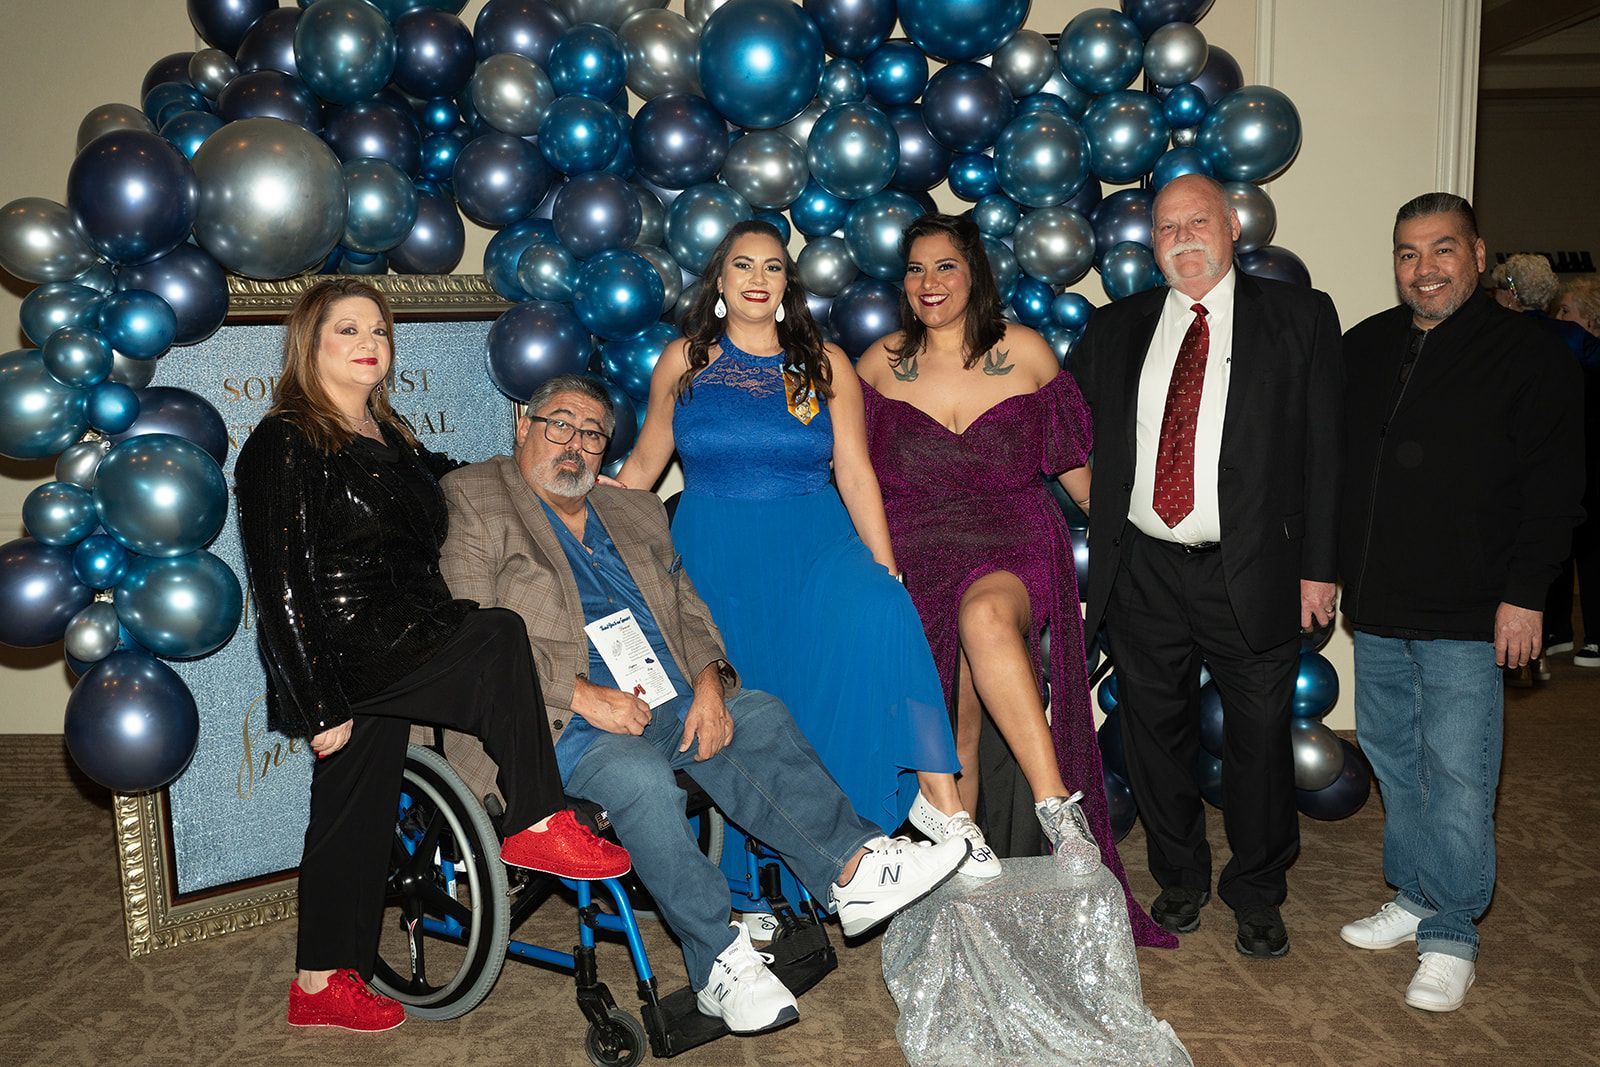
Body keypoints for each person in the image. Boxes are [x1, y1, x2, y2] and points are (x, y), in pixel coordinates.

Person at [436, 374, 971, 1034]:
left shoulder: (634, 511)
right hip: (548, 717)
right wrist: (578, 693)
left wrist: (710, 686)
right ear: (524, 425)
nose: (574, 444)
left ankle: (853, 869)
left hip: (662, 699)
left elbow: (690, 612)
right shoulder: (475, 495)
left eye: (592, 434)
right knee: (638, 776)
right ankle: (719, 962)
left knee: (759, 714)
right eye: (560, 425)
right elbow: (466, 629)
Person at [234, 281, 629, 1033]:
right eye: (348, 329)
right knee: (498, 633)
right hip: (353, 647)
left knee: (352, 811)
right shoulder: (284, 440)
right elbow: (280, 586)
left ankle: (319, 982)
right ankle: (537, 819)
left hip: (402, 634)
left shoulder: (391, 435)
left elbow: (459, 480)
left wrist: (556, 472)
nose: (368, 342)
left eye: (379, 330)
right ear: (310, 343)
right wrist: (317, 701)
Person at [615, 220, 998, 884]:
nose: (758, 278)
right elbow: (646, 464)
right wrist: (582, 513)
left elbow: (855, 472)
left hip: (818, 544)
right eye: (743, 265)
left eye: (772, 266)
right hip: (716, 554)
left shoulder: (824, 362)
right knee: (751, 704)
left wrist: (885, 564)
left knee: (885, 609)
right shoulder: (683, 360)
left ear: (787, 284)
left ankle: (943, 805)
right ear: (720, 281)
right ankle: (764, 881)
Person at [857, 212, 1174, 950]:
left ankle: (1060, 813)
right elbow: (850, 475)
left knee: (987, 620)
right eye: (916, 269)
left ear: (974, 274)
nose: (929, 283)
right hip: (917, 557)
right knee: (952, 732)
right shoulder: (876, 365)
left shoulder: (1025, 350)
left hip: (1013, 540)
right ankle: (967, 891)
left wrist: (1148, 543)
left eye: (945, 266)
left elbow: (1079, 475)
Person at [1070, 174, 1343, 959]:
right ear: (1152, 244)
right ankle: (1180, 874)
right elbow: (1058, 423)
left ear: (1232, 227)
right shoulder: (1117, 327)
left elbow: (1328, 450)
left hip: (1253, 567)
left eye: (1198, 221)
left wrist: (1320, 567)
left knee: (1260, 739)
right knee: (1154, 734)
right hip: (1144, 569)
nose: (1183, 237)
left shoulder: (1299, 316)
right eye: (1167, 227)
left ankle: (1257, 889)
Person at [1337, 193, 1583, 1012]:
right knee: (1395, 759)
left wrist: (1526, 596)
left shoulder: (1530, 354)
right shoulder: (1367, 345)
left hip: (1473, 612)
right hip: (1379, 606)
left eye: (1443, 249)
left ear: (1479, 255)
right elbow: (1341, 471)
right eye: (1408, 253)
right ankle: (1416, 893)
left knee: (1457, 770)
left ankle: (1451, 933)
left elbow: (1556, 487)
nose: (1425, 269)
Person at [1549, 276, 1600, 667]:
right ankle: (1559, 629)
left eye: (1567, 312)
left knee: (1593, 552)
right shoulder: (1567, 364)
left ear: (1592, 320)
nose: (1559, 320)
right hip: (1571, 471)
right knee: (1562, 547)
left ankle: (1597, 636)